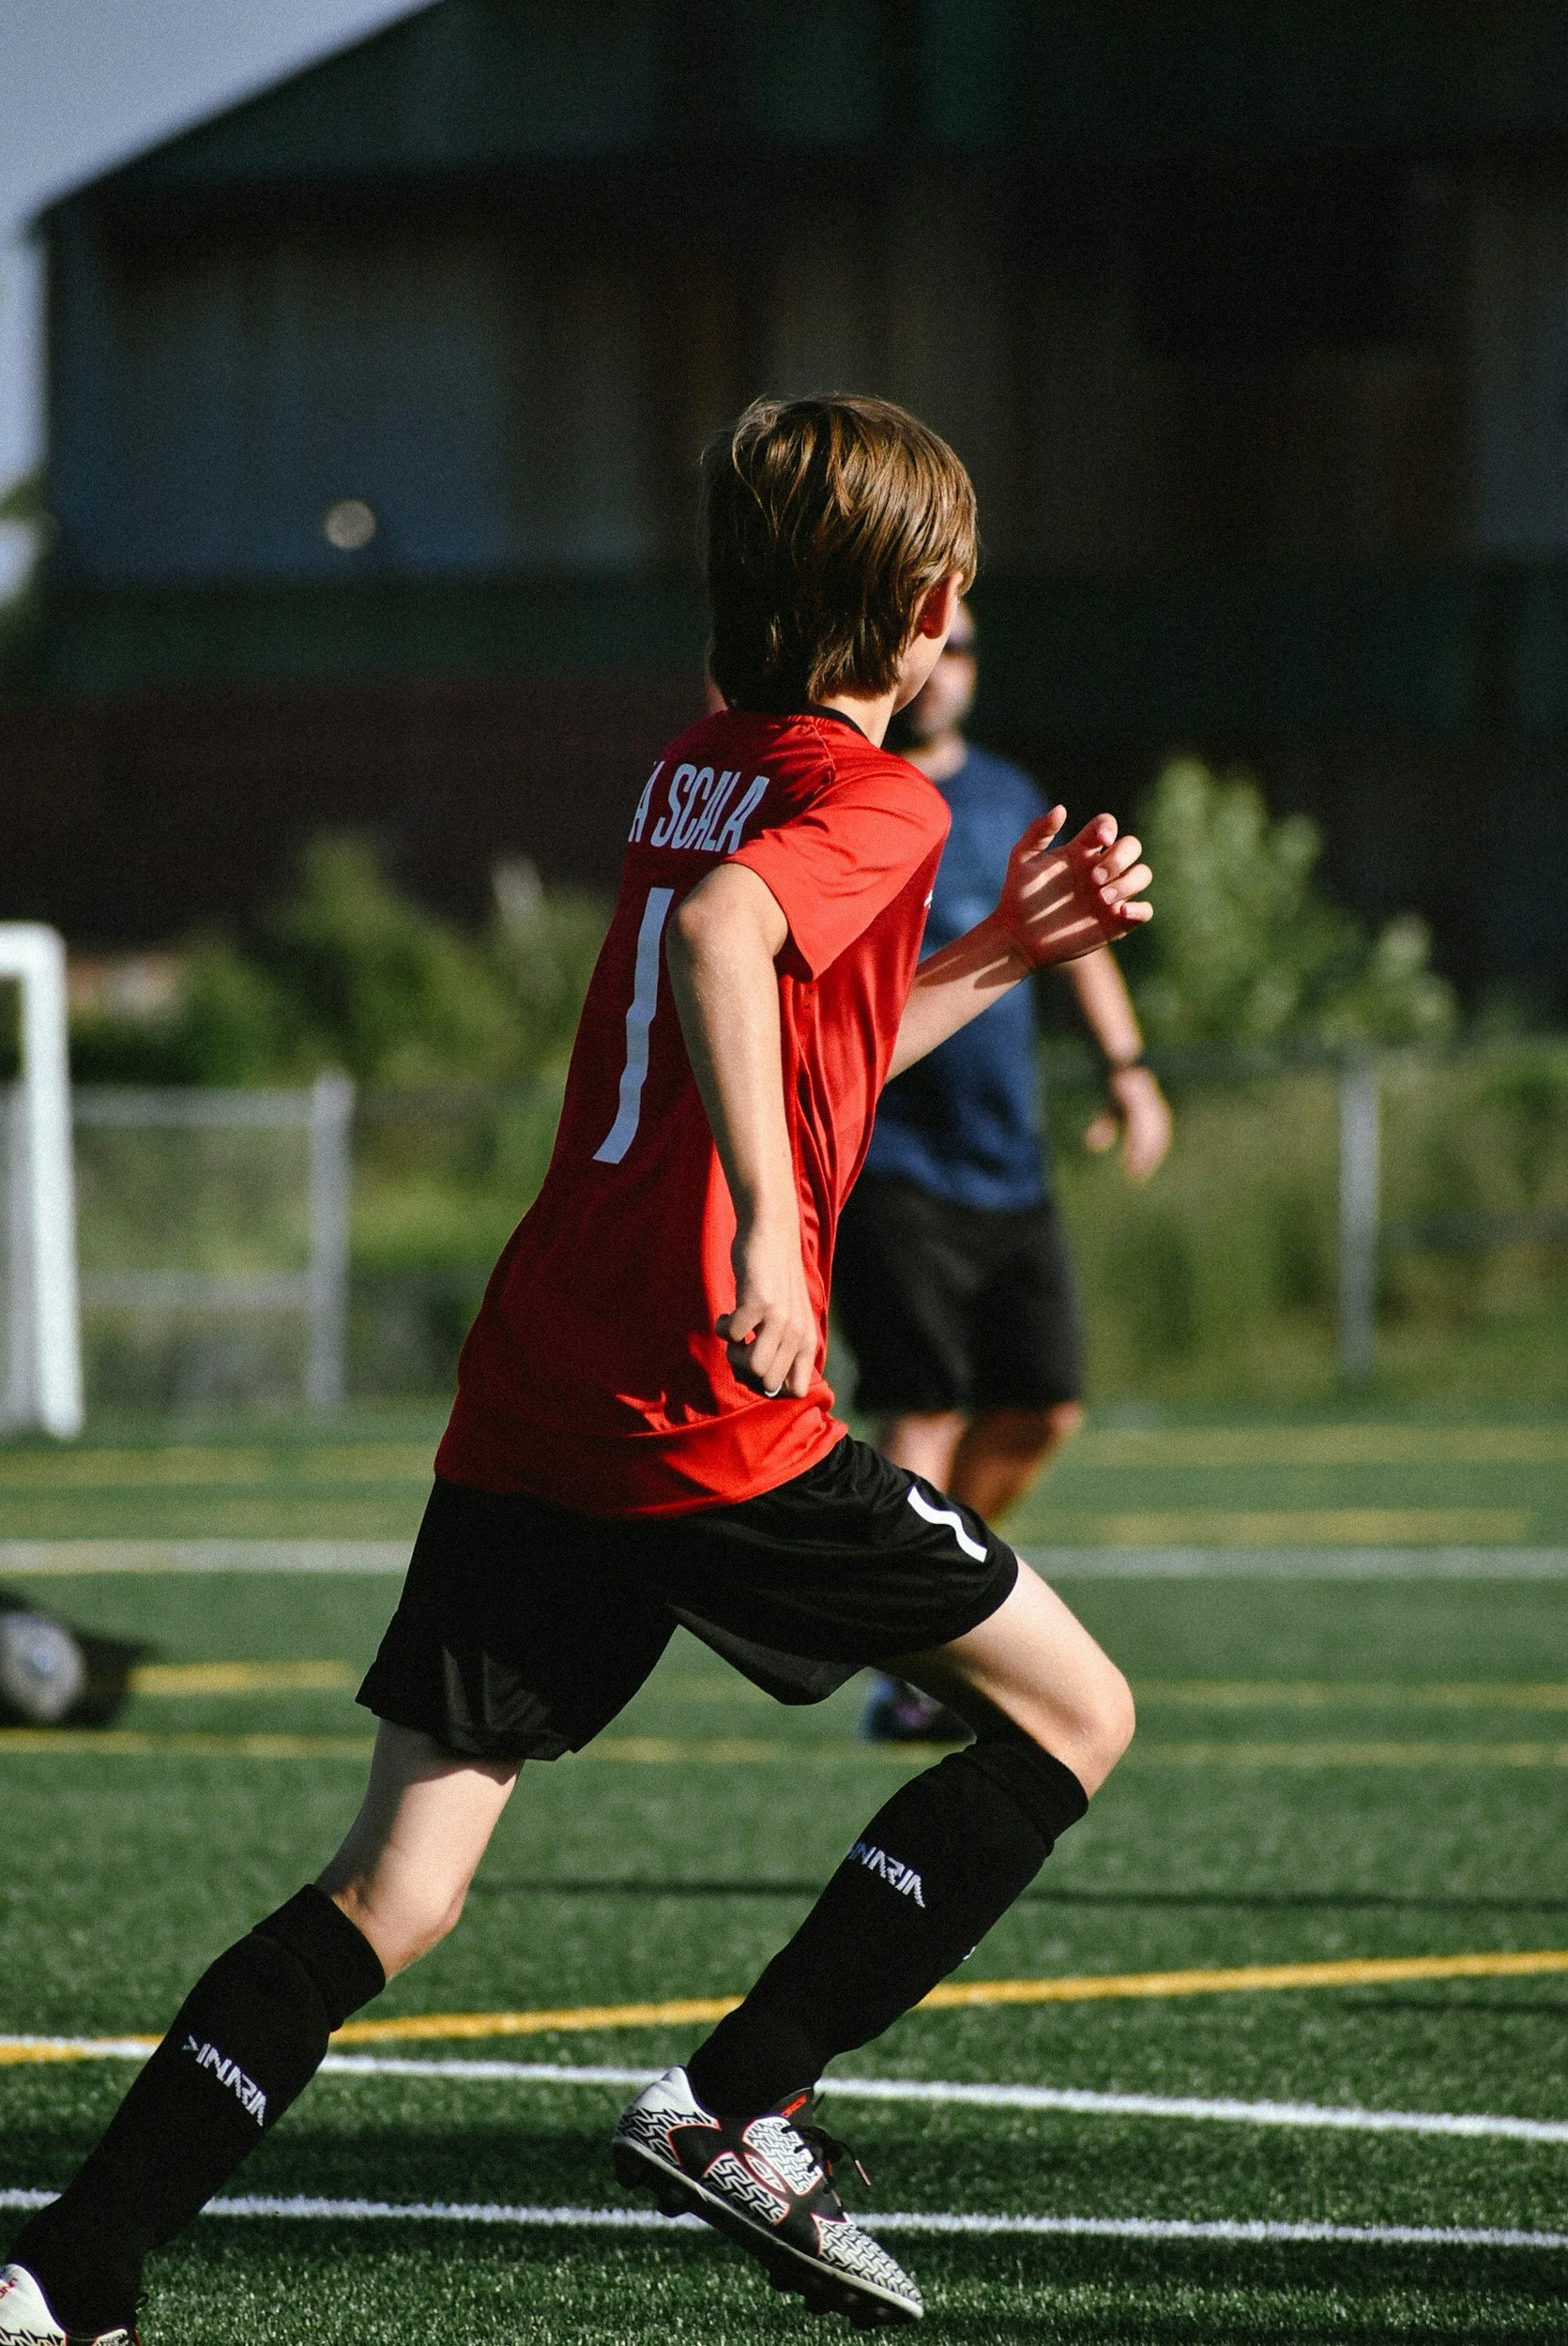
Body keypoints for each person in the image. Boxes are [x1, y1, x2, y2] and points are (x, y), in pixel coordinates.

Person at [1, 396, 1151, 2343]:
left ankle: (67, 2269)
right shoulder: (878, 802)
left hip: (541, 1391)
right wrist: (782, 1243)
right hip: (700, 1410)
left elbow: (785, 1027)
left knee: (393, 1887)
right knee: (1071, 1709)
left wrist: (996, 962)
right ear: (930, 603)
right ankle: (736, 2099)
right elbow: (724, 952)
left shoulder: (700, 765)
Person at [834, 602, 1172, 1744]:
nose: (942, 663)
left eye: (964, 643)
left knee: (1041, 1404)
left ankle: (913, 1614)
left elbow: (1078, 936)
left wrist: (1127, 1069)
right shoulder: (845, 792)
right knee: (922, 1405)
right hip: (892, 1157)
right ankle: (912, 1661)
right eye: (923, 639)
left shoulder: (1012, 792)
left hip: (1008, 1159)